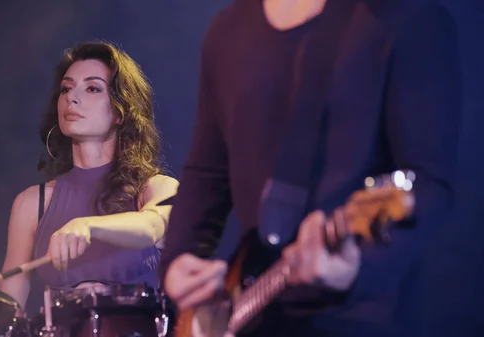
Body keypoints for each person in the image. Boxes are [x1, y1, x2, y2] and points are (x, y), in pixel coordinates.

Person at [159, 0, 460, 336]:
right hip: (255, 309)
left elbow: (429, 184)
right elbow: (206, 172)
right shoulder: (227, 31)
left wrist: (357, 269)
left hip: (363, 318)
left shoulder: (408, 16)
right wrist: (178, 260)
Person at [0, 41, 179, 310]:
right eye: (66, 88)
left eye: (92, 88)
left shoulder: (157, 188)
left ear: (121, 111)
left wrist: (87, 226)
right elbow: (8, 310)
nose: (72, 97)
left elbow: (151, 227)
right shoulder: (31, 204)